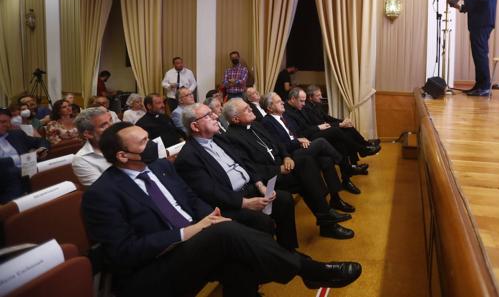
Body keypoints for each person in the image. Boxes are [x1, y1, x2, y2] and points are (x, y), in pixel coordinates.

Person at [82, 122, 362, 297]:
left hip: (195, 240)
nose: (154, 145)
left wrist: (209, 216)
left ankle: (301, 271)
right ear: (122, 156)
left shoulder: (161, 167)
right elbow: (123, 253)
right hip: (153, 268)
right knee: (225, 234)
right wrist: (190, 231)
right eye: (144, 142)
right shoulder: (102, 195)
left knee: (235, 259)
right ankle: (310, 270)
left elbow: (190, 199)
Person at [224, 98, 355, 240]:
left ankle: (327, 218)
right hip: (269, 179)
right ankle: (327, 218)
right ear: (236, 119)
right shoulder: (232, 138)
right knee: (307, 176)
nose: (251, 109)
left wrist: (286, 157)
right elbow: (250, 168)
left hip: (283, 166)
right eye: (246, 109)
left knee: (306, 162)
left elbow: (278, 143)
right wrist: (278, 169)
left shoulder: (256, 125)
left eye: (249, 107)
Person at [175, 103, 299, 250]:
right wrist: (245, 203)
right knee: (263, 221)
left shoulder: (220, 138)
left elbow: (244, 162)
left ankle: (289, 250)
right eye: (208, 115)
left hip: (251, 188)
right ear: (195, 126)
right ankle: (272, 258)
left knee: (284, 199)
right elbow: (211, 192)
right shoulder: (188, 157)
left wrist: (260, 185)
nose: (216, 116)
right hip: (230, 202)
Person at [260, 92, 357, 213]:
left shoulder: (284, 117)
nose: (283, 103)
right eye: (279, 102)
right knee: (321, 142)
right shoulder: (267, 123)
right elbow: (279, 146)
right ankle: (344, 164)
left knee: (326, 161)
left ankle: (335, 199)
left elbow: (297, 133)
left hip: (300, 148)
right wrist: (298, 142)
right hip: (291, 155)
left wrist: (302, 139)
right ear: (269, 107)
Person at [451, 0, 499, 96]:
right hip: (476, 22)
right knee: (477, 54)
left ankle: (485, 87)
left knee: (481, 54)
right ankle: (479, 85)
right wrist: (459, 6)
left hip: (483, 21)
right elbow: (474, 2)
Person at [305, 85, 379, 170]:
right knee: (344, 135)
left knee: (348, 128)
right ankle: (363, 149)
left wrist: (342, 121)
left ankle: (364, 148)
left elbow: (328, 118)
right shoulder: (307, 108)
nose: (321, 97)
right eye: (318, 95)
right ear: (310, 97)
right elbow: (320, 124)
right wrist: (340, 124)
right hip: (318, 133)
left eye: (320, 95)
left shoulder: (317, 105)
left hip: (326, 129)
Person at [0, 108, 49, 203]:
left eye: (8, 122)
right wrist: (22, 158)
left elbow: (41, 141)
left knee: (51, 167)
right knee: (13, 172)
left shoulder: (16, 134)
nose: (7, 125)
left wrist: (43, 149)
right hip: (5, 181)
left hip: (28, 172)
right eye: (2, 122)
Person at [72, 107, 113, 186]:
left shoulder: (123, 142)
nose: (112, 126)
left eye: (110, 120)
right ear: (89, 134)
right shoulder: (82, 160)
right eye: (104, 125)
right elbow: (105, 190)